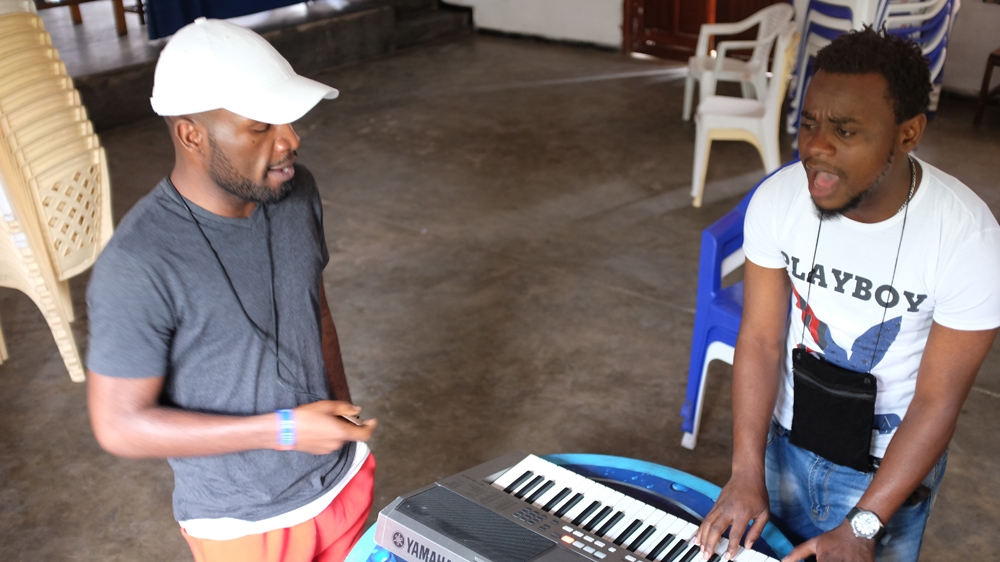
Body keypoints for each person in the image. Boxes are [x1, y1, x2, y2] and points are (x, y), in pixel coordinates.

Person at [693, 27, 1000, 562]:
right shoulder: (778, 201)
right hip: (784, 442)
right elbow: (761, 340)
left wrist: (863, 525)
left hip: (886, 471)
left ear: (908, 134)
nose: (816, 147)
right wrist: (745, 471)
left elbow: (937, 401)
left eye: (845, 129)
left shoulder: (968, 240)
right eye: (809, 123)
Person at [86, 18, 378, 562]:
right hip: (246, 525)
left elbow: (313, 307)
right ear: (191, 135)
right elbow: (119, 426)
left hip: (342, 482)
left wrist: (344, 419)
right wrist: (285, 430)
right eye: (260, 127)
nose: (290, 140)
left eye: (286, 119)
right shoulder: (139, 264)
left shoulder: (294, 191)